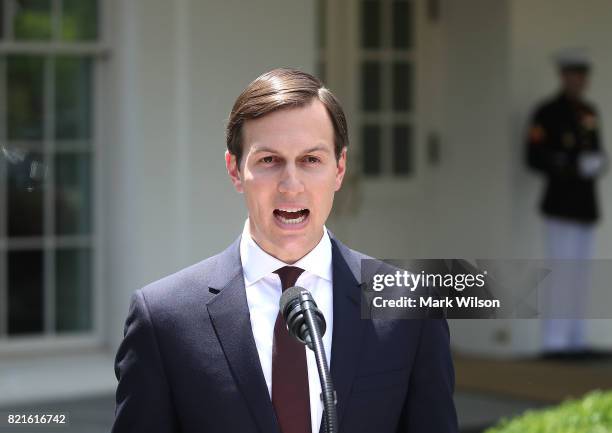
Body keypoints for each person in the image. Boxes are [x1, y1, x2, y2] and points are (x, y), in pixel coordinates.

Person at [112, 68, 458, 433]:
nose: (291, 185)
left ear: (339, 169)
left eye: (311, 160)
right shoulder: (163, 318)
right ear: (234, 170)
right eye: (269, 160)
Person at [525, 49, 606, 359]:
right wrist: (571, 166)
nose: (579, 81)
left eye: (583, 75)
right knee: (561, 272)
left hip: (585, 205)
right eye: (574, 74)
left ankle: (575, 337)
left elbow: (597, 152)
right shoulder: (548, 113)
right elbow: (534, 156)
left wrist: (596, 164)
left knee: (580, 274)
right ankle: (555, 341)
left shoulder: (589, 111)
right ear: (564, 76)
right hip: (560, 203)